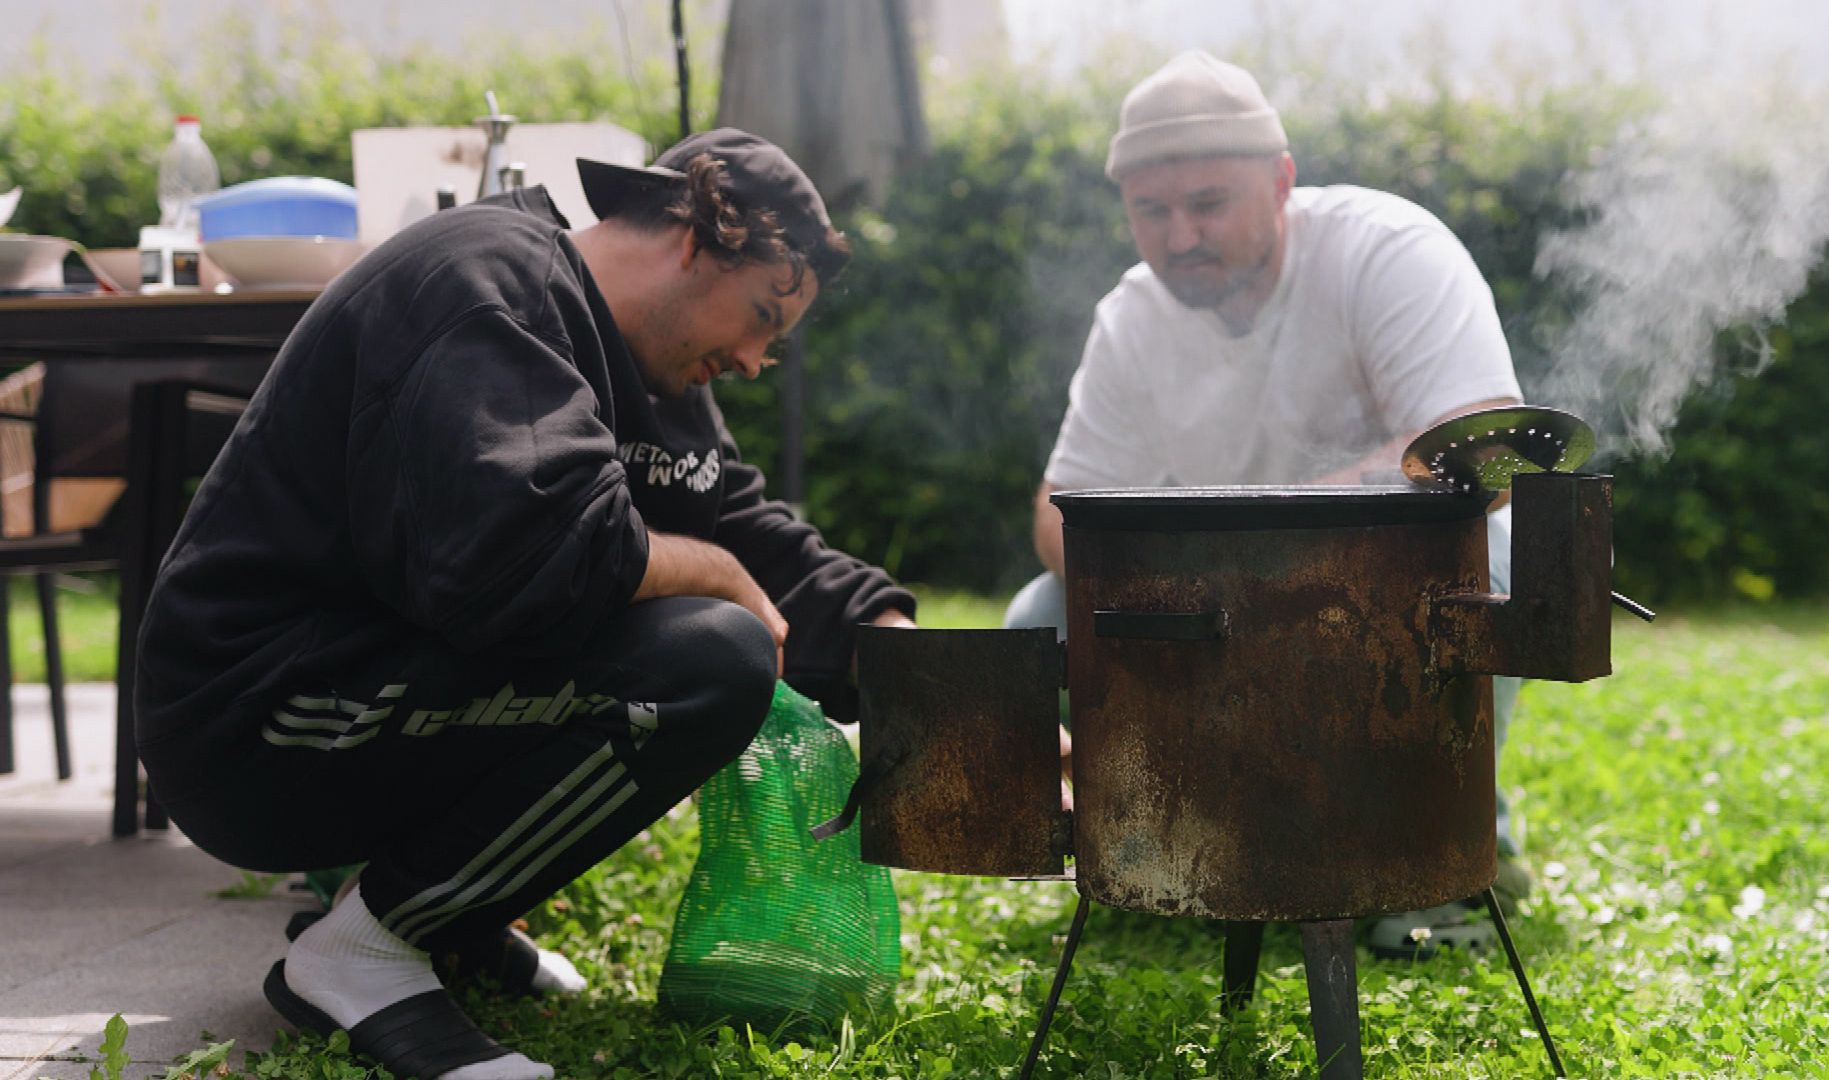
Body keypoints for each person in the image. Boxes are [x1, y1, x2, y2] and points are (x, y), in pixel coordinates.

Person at [135, 129, 915, 1080]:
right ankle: (366, 950)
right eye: (759, 315)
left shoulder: (653, 374)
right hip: (256, 715)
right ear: (694, 239)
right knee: (714, 657)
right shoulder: (485, 283)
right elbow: (529, 556)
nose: (756, 359)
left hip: (366, 689)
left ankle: (446, 926)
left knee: (709, 627)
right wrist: (713, 575)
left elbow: (745, 529)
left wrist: (910, 658)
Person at [1007, 50, 1531, 959]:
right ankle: (1196, 833)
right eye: (1150, 212)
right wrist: (1187, 569)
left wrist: (1258, 539)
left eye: (1207, 204)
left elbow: (1476, 445)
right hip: (1217, 593)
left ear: (1282, 180)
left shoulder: (1386, 250)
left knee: (1492, 562)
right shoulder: (1132, 316)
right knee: (1039, 612)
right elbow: (1061, 506)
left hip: (1398, 577)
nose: (1177, 238)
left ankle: (1455, 843)